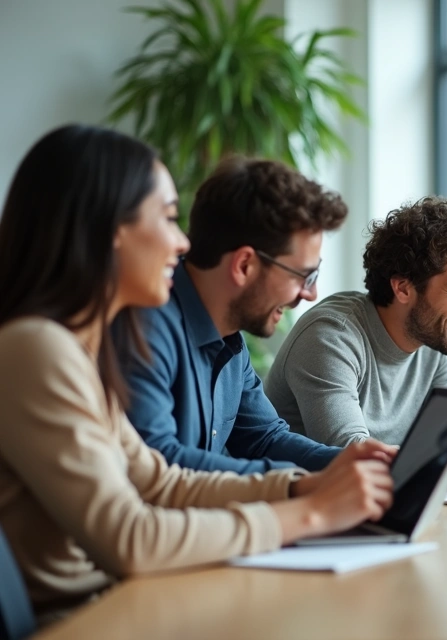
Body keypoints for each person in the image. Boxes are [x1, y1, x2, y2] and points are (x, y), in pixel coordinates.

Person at [0, 125, 395, 620]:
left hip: (117, 601)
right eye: (168, 218)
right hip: (82, 619)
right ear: (111, 231)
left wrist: (302, 486)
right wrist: (310, 513)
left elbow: (158, 479)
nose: (182, 241)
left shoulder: (73, 348)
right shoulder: (36, 347)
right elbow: (130, 537)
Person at [265, 197, 447, 490]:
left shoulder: (434, 338)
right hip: (304, 506)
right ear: (402, 288)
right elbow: (351, 454)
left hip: (387, 503)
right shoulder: (330, 336)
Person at [119, 157, 354, 473]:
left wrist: (353, 461)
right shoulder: (144, 327)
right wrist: (297, 484)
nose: (311, 293)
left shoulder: (229, 336)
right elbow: (160, 463)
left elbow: (265, 439)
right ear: (244, 265)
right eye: (304, 276)